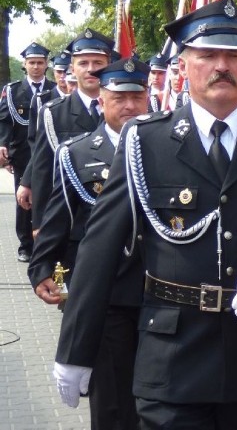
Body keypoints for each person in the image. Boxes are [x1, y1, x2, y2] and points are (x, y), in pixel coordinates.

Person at [50, 0, 237, 429]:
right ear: (184, 67)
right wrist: (75, 349)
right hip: (171, 356)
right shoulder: (145, 141)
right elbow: (100, 248)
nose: (221, 65)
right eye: (207, 55)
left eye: (234, 56)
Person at [31, 57, 151, 429]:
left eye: (137, 96)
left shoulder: (165, 146)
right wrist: (42, 268)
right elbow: (58, 217)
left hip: (158, 291)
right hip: (105, 291)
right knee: (111, 398)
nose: (129, 106)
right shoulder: (77, 152)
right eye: (119, 98)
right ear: (102, 100)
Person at [23, 30, 113, 241]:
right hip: (72, 218)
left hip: (117, 217)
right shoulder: (53, 112)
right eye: (83, 63)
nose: (91, 69)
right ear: (72, 69)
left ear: (109, 65)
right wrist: (39, 222)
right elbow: (43, 168)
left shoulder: (124, 109)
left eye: (98, 62)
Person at [1, 42, 57, 262]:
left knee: (47, 197)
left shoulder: (54, 90)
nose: (36, 67)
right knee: (23, 198)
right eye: (32, 63)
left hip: (48, 151)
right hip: (23, 152)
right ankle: (25, 244)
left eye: (40, 63)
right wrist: (2, 143)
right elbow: (5, 120)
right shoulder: (13, 91)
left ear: (46, 65)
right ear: (24, 65)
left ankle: (45, 242)